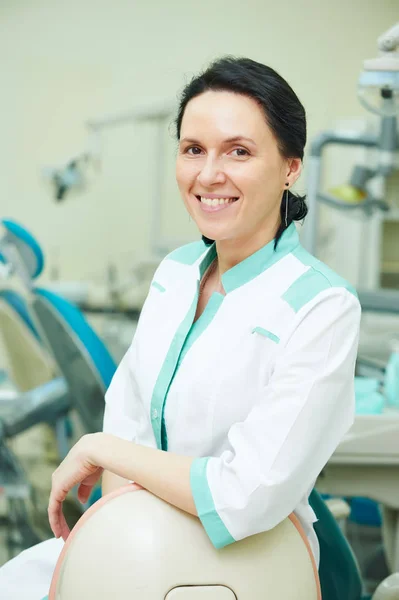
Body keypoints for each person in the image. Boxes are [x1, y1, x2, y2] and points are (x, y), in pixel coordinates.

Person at [0, 56, 361, 599]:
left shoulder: (324, 305)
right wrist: (119, 517)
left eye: (238, 151)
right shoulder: (173, 274)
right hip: (146, 533)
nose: (208, 174)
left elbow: (245, 495)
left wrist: (103, 452)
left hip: (253, 561)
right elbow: (126, 425)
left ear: (291, 166)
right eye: (193, 149)